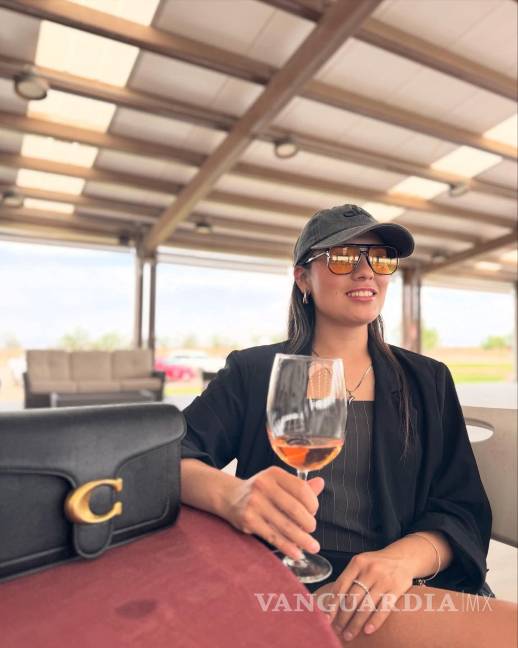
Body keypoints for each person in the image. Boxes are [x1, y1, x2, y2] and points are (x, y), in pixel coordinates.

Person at [180, 204, 516, 646]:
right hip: (282, 585)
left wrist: (400, 561)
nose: (365, 271)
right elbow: (165, 455)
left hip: (393, 585)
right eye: (341, 257)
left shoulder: (427, 379)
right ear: (303, 278)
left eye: (380, 258)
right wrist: (233, 495)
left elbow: (462, 508)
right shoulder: (255, 371)